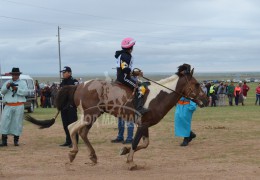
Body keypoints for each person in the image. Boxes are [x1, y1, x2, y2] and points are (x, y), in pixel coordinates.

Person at [114, 37, 149, 115]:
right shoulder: (124, 56)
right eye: (133, 46)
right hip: (124, 78)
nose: (133, 48)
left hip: (126, 76)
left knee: (143, 84)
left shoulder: (124, 55)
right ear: (130, 47)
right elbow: (125, 69)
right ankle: (138, 108)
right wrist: (135, 73)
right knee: (141, 88)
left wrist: (134, 73)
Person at [0, 67, 29, 147]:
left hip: (18, 105)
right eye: (14, 74)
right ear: (12, 75)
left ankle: (16, 141)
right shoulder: (7, 82)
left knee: (17, 123)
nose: (15, 76)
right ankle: (4, 141)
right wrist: (7, 86)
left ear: (19, 75)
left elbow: (26, 93)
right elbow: (2, 91)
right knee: (4, 122)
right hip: (8, 105)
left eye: (16, 74)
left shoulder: (23, 83)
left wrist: (16, 89)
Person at [59, 66, 79, 148]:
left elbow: (76, 94)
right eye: (62, 72)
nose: (63, 74)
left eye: (64, 72)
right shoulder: (63, 82)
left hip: (71, 106)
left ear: (69, 73)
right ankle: (68, 140)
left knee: (73, 124)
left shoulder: (74, 82)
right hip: (63, 106)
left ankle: (74, 141)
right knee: (65, 125)